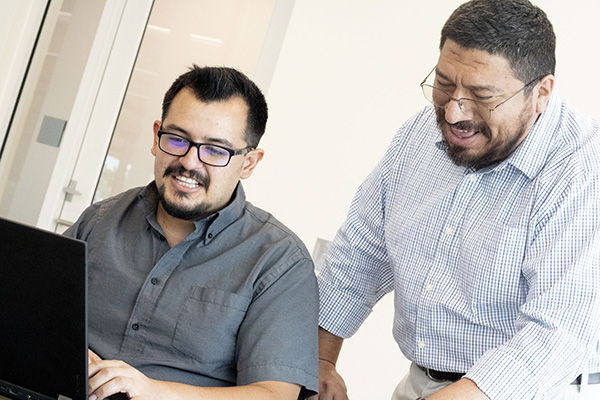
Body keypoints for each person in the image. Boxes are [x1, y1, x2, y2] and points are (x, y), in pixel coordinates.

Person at [313, 1, 600, 399]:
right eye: (444, 83)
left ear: (541, 93)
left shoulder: (582, 169)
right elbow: (360, 252)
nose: (453, 112)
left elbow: (558, 334)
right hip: (424, 382)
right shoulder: (418, 136)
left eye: (482, 95)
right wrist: (320, 362)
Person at [64, 65, 318, 400]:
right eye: (177, 139)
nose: (189, 162)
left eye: (215, 150)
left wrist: (152, 391)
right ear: (156, 137)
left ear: (249, 163)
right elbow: (30, 309)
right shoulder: (100, 220)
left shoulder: (279, 261)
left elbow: (274, 394)